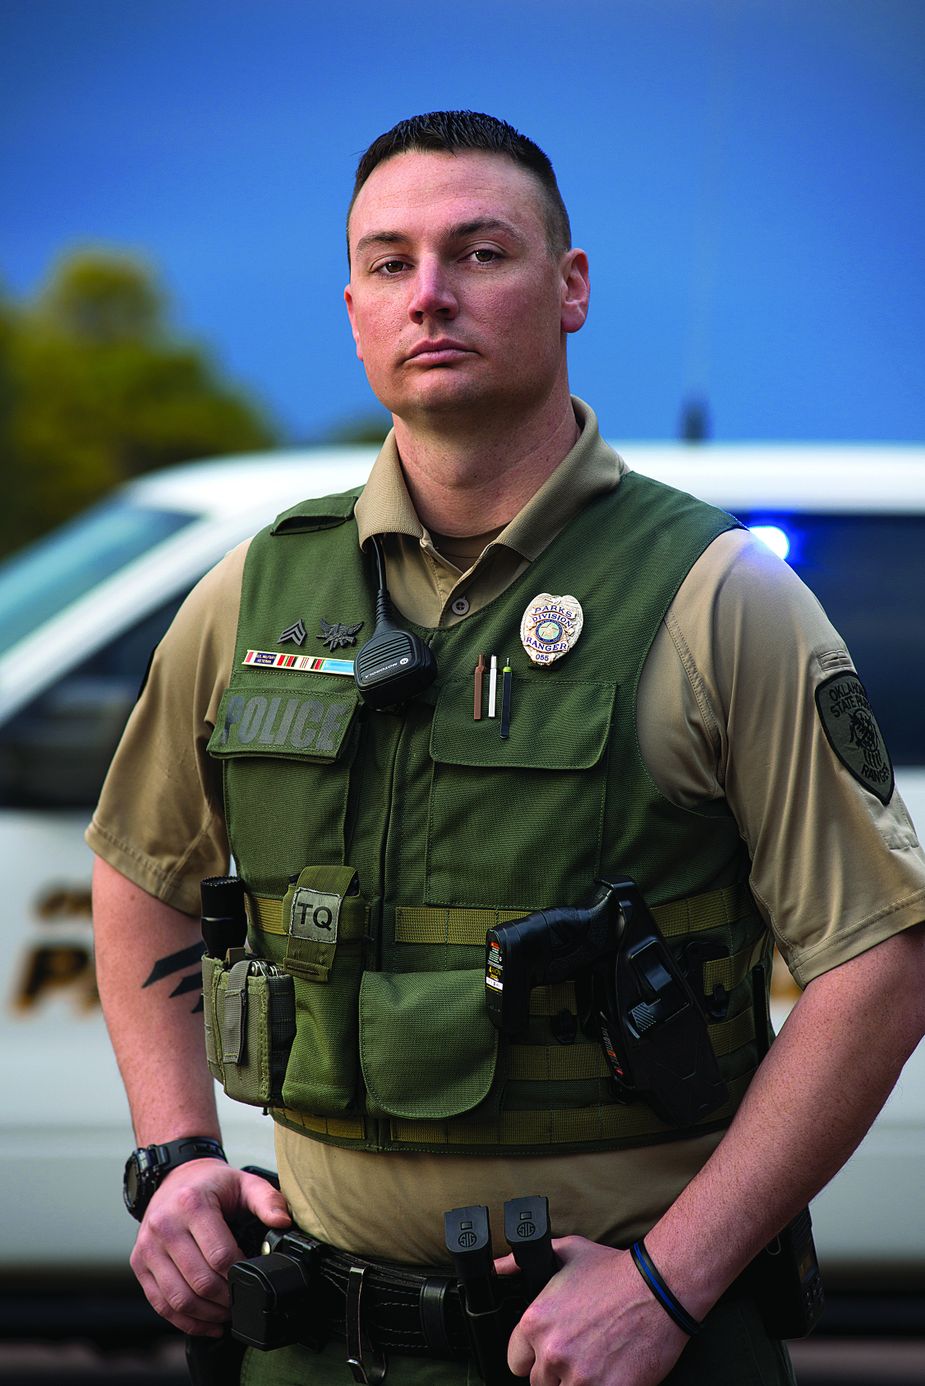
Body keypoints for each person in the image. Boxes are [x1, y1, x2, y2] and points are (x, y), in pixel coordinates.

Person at [89, 110, 925, 1386]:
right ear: (356, 305)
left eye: (480, 252)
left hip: (618, 1350)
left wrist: (668, 1283)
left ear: (570, 287)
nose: (430, 295)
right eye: (389, 262)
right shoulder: (255, 592)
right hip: (311, 1342)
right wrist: (174, 1155)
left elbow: (880, 960)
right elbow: (140, 871)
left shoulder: (715, 596)